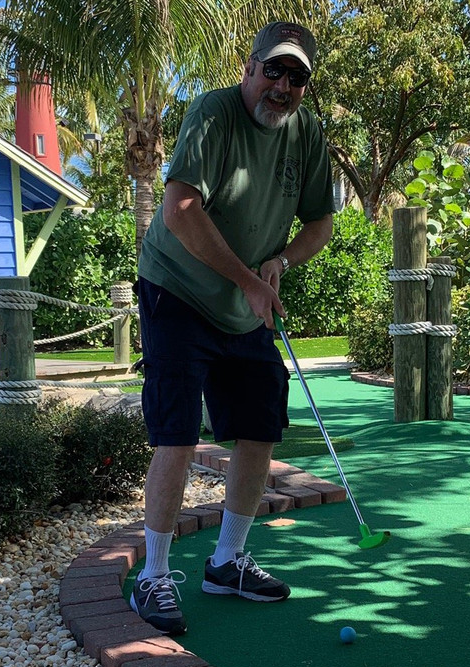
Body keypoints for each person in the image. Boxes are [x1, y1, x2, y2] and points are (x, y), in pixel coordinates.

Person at [131, 21, 335, 635]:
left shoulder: (307, 133)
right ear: (248, 70)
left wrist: (280, 262)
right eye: (272, 70)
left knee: (259, 428)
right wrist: (248, 279)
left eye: (296, 76)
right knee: (176, 434)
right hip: (177, 290)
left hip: (246, 304)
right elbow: (180, 209)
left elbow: (320, 223)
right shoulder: (213, 114)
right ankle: (155, 576)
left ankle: (227, 561)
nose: (282, 85)